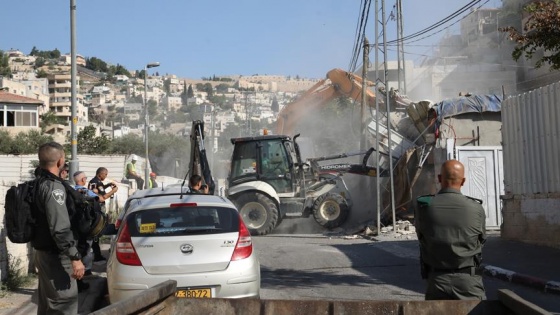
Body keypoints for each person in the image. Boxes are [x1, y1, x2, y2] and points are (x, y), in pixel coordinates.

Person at [415, 160, 486, 300]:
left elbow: (421, 235)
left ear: (440, 178)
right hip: (469, 281)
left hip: (436, 280)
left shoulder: (423, 207)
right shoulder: (476, 208)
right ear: (463, 181)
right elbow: (481, 239)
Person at [32, 142, 84, 314]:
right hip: (58, 256)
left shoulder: (36, 184)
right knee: (64, 304)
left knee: (48, 305)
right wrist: (75, 258)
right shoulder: (54, 188)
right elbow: (60, 228)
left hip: (43, 253)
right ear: (60, 161)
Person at [88, 167, 118, 264]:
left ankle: (97, 254)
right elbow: (103, 197)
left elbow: (100, 190)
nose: (106, 176)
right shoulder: (96, 183)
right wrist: (113, 191)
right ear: (100, 174)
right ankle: (97, 255)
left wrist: (108, 185)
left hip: (95, 210)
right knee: (97, 232)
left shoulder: (94, 182)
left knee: (97, 232)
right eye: (105, 174)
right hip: (97, 211)